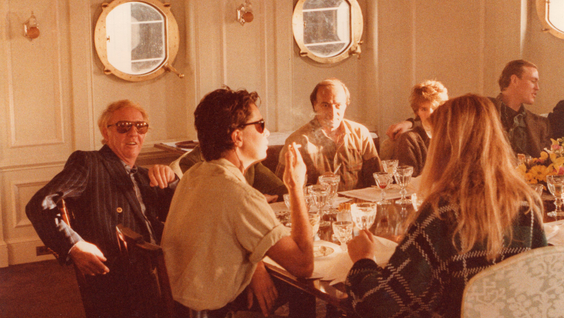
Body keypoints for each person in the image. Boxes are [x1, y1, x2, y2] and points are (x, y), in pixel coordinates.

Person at [345, 94, 547, 317]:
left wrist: (363, 261)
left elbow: (385, 305)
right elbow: (538, 281)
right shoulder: (527, 203)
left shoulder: (441, 213)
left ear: (445, 145)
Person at [161, 87, 314, 317]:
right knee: (305, 287)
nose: (268, 132)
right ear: (237, 136)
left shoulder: (195, 175)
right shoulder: (240, 195)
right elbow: (303, 265)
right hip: (215, 310)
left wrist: (256, 267)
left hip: (183, 303)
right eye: (261, 125)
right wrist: (296, 188)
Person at [26, 100, 178, 318]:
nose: (134, 132)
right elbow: (40, 204)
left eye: (141, 126)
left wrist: (171, 180)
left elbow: (176, 215)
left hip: (160, 268)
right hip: (123, 278)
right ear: (105, 133)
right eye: (124, 126)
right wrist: (74, 245)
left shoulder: (145, 176)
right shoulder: (90, 163)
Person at [275, 78, 381, 190]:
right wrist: (315, 188)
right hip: (317, 205)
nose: (333, 113)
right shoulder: (297, 141)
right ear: (315, 105)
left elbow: (377, 179)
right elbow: (282, 190)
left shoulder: (360, 134)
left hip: (357, 206)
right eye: (326, 105)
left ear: (346, 105)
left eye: (338, 105)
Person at [177, 144, 287, 202]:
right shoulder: (191, 163)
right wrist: (259, 200)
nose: (266, 132)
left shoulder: (246, 159)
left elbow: (279, 190)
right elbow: (220, 202)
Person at [391, 80, 448, 177]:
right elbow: (406, 179)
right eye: (424, 109)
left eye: (434, 108)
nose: (430, 114)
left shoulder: (453, 136)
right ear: (417, 112)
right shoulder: (409, 139)